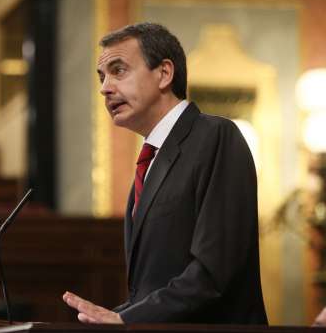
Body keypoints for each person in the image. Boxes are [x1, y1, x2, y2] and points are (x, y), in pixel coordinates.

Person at [62, 22, 268, 324]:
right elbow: (151, 291)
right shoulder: (148, 165)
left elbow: (213, 273)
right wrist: (113, 316)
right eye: (102, 77)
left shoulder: (216, 137)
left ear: (164, 73)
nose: (105, 87)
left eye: (118, 71)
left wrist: (126, 320)